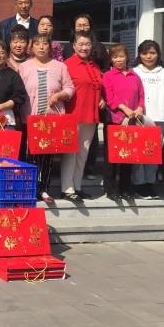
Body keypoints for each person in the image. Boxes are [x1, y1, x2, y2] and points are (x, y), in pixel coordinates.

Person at [18, 34, 74, 205]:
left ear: (50, 47)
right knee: (30, 155)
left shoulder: (60, 66)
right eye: (37, 44)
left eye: (44, 44)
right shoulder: (23, 66)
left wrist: (59, 95)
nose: (41, 47)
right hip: (30, 118)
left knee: (47, 157)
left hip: (51, 120)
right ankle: (29, 188)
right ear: (31, 47)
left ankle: (44, 189)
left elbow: (70, 88)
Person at [62, 31, 104, 203]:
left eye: (87, 44)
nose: (84, 47)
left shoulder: (94, 65)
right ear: (73, 46)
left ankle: (77, 186)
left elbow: (98, 86)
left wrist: (101, 98)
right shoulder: (67, 65)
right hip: (73, 113)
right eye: (80, 44)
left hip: (91, 114)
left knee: (83, 153)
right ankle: (67, 187)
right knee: (71, 152)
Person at [102, 43, 145, 201]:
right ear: (111, 59)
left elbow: (141, 96)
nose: (118, 60)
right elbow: (109, 98)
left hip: (132, 121)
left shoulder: (135, 76)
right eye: (114, 57)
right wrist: (123, 108)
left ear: (127, 56)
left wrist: (140, 108)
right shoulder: (108, 76)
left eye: (121, 56)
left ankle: (125, 187)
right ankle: (110, 188)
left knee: (128, 156)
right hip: (115, 120)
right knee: (112, 156)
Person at [133, 40, 164, 199]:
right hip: (141, 118)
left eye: (152, 53)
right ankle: (139, 184)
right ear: (139, 54)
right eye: (145, 53)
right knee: (139, 152)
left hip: (160, 118)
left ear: (158, 54)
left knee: (153, 153)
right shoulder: (135, 72)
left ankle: (150, 183)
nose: (149, 56)